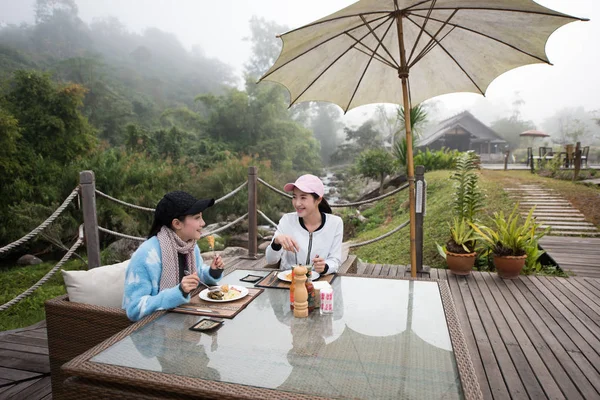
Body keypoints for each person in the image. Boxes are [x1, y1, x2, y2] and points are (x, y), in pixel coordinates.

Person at [123, 191, 224, 321]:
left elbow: (196, 277)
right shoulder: (147, 255)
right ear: (177, 223)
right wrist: (178, 292)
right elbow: (134, 309)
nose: (203, 223)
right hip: (154, 332)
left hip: (185, 321)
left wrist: (213, 272)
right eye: (197, 218)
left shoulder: (190, 246)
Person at [266, 174, 343, 274]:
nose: (297, 203)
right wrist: (276, 242)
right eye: (294, 197)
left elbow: (335, 260)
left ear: (318, 200)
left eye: (303, 198)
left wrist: (325, 267)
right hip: (288, 282)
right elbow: (270, 260)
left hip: (318, 283)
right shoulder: (287, 220)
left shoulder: (335, 223)